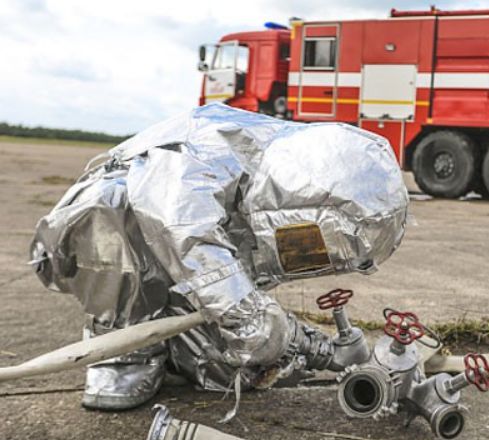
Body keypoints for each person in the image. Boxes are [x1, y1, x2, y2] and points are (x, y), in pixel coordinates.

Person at [29, 104, 409, 410]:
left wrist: (286, 343)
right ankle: (122, 346)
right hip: (88, 241)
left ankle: (176, 348)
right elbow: (178, 221)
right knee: (115, 208)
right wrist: (249, 316)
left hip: (178, 266)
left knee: (232, 371)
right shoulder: (213, 148)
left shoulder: (265, 179)